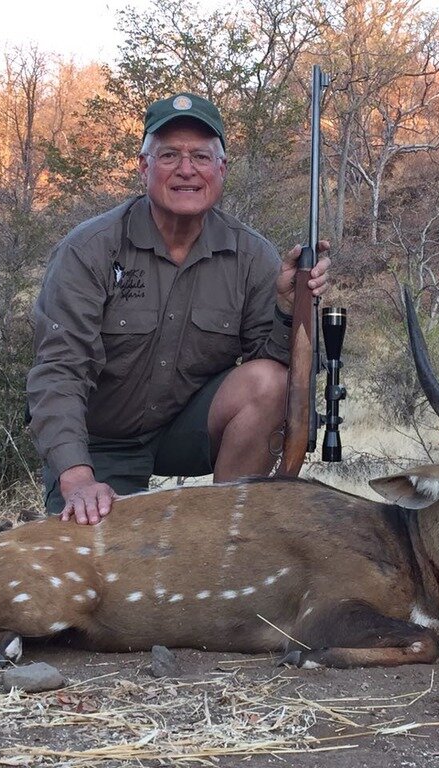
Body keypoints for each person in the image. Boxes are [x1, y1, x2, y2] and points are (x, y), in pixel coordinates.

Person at [27, 93, 330, 525]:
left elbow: (283, 372)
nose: (186, 170)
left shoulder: (251, 254)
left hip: (186, 432)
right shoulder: (88, 249)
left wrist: (288, 306)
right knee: (106, 566)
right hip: (101, 443)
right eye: (169, 155)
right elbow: (59, 371)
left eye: (201, 157)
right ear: (144, 167)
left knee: (270, 382)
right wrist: (76, 479)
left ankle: (226, 530)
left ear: (221, 169)